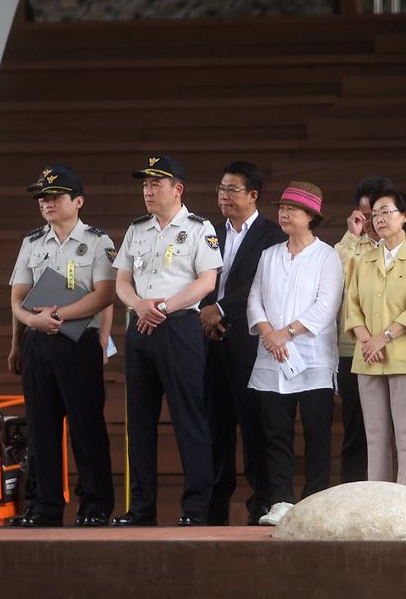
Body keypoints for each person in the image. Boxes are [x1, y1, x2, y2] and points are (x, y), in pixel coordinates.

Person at [112, 155, 222, 527]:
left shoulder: (197, 227)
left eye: (156, 184)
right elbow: (121, 282)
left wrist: (164, 306)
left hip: (178, 327)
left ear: (178, 189)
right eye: (145, 184)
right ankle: (140, 508)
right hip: (140, 327)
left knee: (188, 418)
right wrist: (140, 305)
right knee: (139, 420)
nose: (148, 190)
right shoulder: (137, 229)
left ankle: (195, 509)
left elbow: (208, 281)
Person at [7, 164, 115, 527]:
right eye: (42, 198)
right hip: (38, 342)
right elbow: (18, 297)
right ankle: (44, 507)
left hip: (77, 342)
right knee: (41, 429)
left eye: (55, 196)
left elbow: (105, 295)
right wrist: (21, 336)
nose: (47, 203)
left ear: (78, 201)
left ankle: (95, 506)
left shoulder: (99, 241)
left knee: (87, 428)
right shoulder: (32, 241)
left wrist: (61, 315)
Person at [247, 181, 343, 526]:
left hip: (312, 357)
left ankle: (316, 500)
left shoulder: (327, 255)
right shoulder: (269, 255)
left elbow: (326, 306)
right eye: (282, 208)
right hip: (272, 357)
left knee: (317, 432)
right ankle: (281, 501)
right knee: (275, 432)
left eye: (292, 209)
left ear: (310, 216)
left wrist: (285, 333)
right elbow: (254, 298)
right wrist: (267, 333)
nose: (283, 214)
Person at [200, 161, 287, 526]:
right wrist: (207, 311)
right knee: (214, 428)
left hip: (249, 343)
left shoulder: (271, 235)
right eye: (221, 189)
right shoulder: (207, 232)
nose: (224, 196)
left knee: (254, 426)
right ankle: (214, 506)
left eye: (232, 189)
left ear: (253, 195)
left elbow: (260, 285)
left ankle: (261, 503)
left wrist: (220, 309)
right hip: (208, 339)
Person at [345, 190, 406, 487]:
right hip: (368, 357)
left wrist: (382, 338)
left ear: (405, 216)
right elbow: (352, 306)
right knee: (374, 434)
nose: (380, 219)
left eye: (387, 211)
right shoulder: (365, 258)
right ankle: (379, 500)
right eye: (375, 213)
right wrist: (366, 341)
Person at [334, 176, 393, 483]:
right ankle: (354, 492)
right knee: (356, 426)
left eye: (379, 214)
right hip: (353, 349)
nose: (372, 222)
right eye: (366, 215)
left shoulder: (404, 247)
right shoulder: (350, 246)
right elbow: (337, 285)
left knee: (402, 427)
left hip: (396, 349)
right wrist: (351, 238)